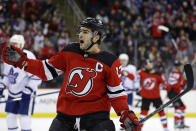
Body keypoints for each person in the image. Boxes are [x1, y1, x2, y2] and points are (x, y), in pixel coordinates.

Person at [2, 17, 141, 131]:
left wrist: (125, 113)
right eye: (80, 31)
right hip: (65, 118)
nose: (80, 34)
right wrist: (23, 62)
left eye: (85, 32)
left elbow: (116, 94)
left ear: (96, 36)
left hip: (96, 120)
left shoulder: (110, 61)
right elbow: (46, 70)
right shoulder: (70, 51)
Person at [0, 34, 42, 131]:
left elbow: (36, 77)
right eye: (12, 44)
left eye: (15, 44)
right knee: (10, 118)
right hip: (12, 93)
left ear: (21, 44)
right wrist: (2, 86)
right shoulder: (8, 56)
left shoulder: (29, 57)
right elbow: (7, 75)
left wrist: (28, 90)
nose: (13, 46)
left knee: (24, 119)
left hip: (25, 93)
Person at [137, 59, 169, 131]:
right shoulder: (142, 73)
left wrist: (162, 73)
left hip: (156, 97)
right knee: (143, 113)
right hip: (145, 97)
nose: (148, 65)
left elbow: (165, 84)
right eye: (146, 64)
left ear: (152, 64)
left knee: (162, 113)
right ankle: (139, 129)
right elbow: (134, 75)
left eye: (149, 63)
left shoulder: (158, 74)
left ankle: (166, 128)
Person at [167, 60, 189, 129]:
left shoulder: (178, 73)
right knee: (179, 108)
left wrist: (184, 81)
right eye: (180, 66)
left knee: (182, 107)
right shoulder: (175, 73)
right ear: (177, 67)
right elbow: (172, 83)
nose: (182, 67)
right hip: (172, 93)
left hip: (175, 93)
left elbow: (181, 85)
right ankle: (177, 123)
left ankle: (181, 122)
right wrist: (182, 82)